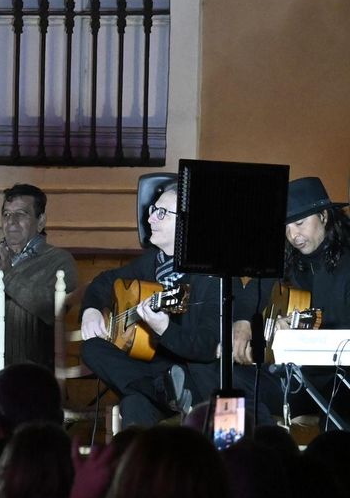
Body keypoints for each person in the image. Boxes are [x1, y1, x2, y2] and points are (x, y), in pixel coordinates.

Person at [79, 174, 257, 428]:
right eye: (153, 210)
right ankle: (159, 391)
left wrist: (164, 329)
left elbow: (208, 346)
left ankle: (157, 399)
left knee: (135, 403)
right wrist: (92, 310)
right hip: (152, 372)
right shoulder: (150, 263)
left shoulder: (215, 277)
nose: (150, 218)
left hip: (192, 374)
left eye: (161, 213)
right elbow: (103, 282)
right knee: (92, 348)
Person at [239, 176, 350, 420]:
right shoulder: (287, 257)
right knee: (233, 379)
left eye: (299, 223)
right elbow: (251, 294)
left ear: (324, 216)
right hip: (295, 378)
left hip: (339, 380)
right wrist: (245, 324)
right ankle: (259, 451)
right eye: (286, 228)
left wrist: (301, 334)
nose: (293, 236)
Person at [0, 184, 78, 369]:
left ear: (41, 221)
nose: (11, 221)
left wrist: (9, 276)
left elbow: (52, 309)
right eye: (6, 214)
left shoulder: (59, 260)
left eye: (21, 213)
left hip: (28, 371)